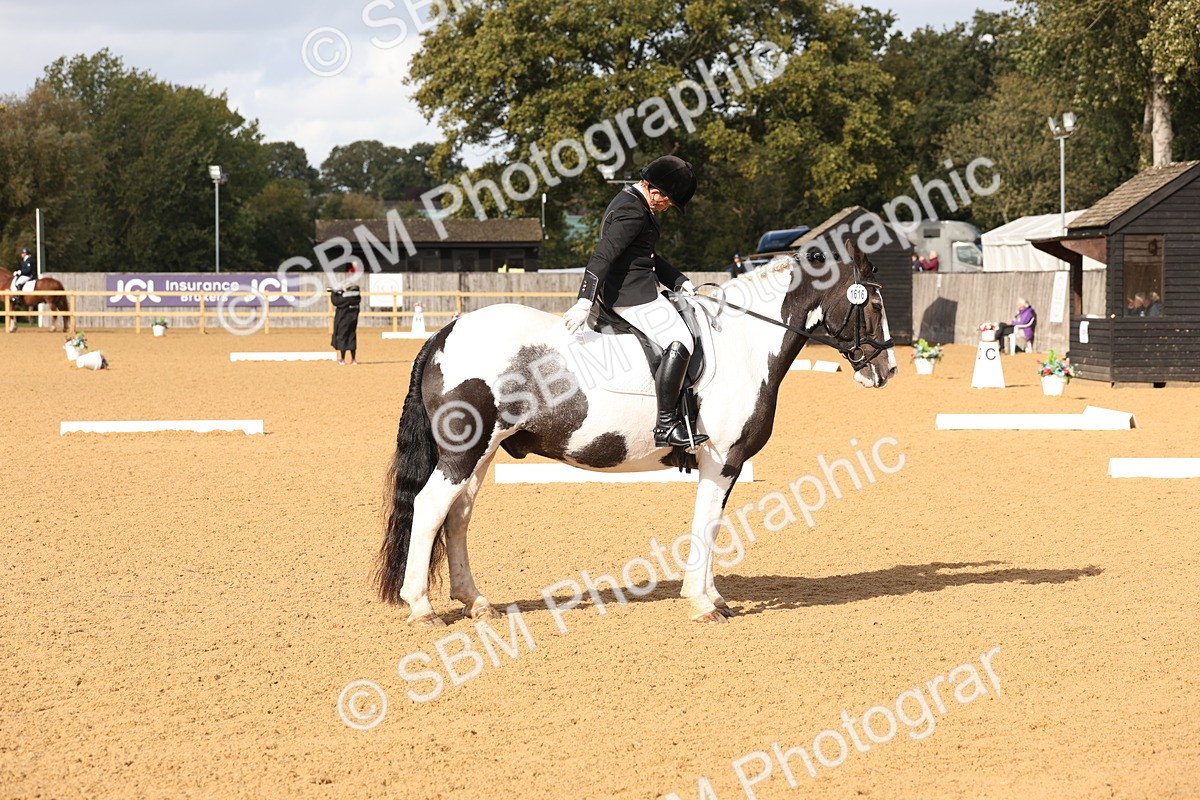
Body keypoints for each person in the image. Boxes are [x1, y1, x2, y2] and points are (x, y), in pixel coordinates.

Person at [561, 155, 707, 448]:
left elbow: (645, 253)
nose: (666, 207)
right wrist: (584, 300)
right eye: (667, 201)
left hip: (637, 286)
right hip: (629, 294)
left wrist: (679, 280)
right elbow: (603, 255)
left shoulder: (632, 200)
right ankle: (666, 424)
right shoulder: (633, 211)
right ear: (655, 191)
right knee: (681, 341)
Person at [330, 262, 362, 365]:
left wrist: (335, 292)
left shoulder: (345, 299)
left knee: (342, 338)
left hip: (343, 320)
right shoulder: (357, 298)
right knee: (352, 337)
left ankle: (342, 359)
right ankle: (353, 359)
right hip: (353, 320)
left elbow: (335, 301)